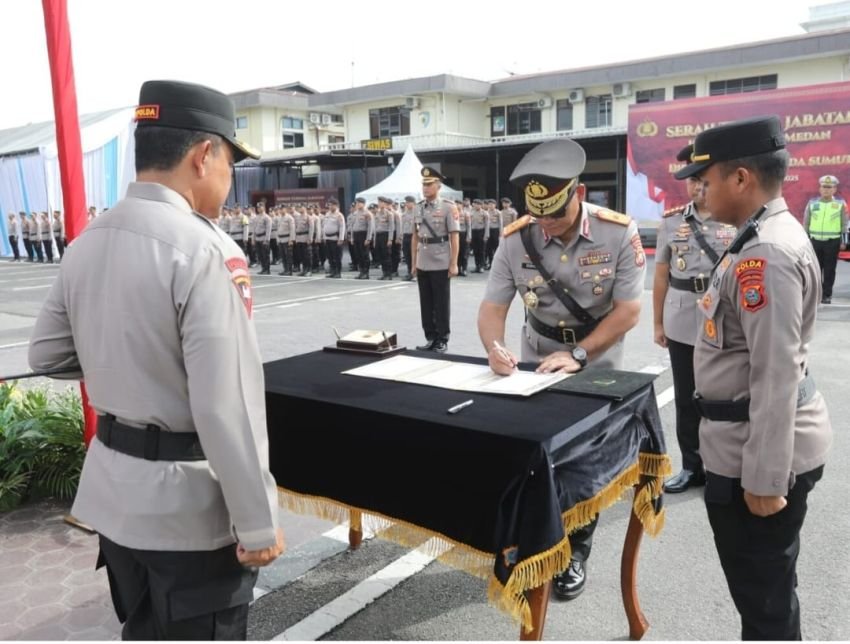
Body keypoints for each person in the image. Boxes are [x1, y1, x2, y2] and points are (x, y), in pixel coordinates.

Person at [27, 79, 284, 640]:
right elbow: (226, 408)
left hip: (115, 498)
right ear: (202, 155)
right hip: (187, 516)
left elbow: (46, 354)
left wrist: (119, 363)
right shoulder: (207, 250)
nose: (229, 181)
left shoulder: (87, 241)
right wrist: (258, 524)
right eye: (229, 164)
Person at [675, 115, 832, 640]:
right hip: (740, 444)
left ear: (741, 178)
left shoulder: (765, 252)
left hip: (754, 458)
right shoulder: (759, 236)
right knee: (765, 594)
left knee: (765, 605)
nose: (700, 188)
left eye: (707, 177)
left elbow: (775, 372)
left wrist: (765, 481)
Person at [477, 138, 645, 601]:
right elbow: (493, 307)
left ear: (580, 192)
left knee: (582, 463)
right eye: (540, 215)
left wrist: (581, 355)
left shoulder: (619, 232)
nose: (547, 223)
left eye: (556, 212)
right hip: (537, 357)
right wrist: (494, 347)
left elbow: (629, 311)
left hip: (598, 361)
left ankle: (575, 553)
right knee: (534, 458)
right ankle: (531, 546)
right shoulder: (516, 238)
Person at [654, 144, 737, 494]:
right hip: (682, 318)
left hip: (725, 318)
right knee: (687, 398)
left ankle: (725, 466)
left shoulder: (735, 219)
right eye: (693, 182)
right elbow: (660, 275)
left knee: (725, 396)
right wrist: (658, 324)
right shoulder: (672, 221)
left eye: (704, 181)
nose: (698, 188)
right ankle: (692, 466)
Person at [411, 166, 460, 352]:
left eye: (429, 184)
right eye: (423, 185)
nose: (425, 188)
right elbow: (415, 236)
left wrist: (454, 263)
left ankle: (442, 339)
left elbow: (454, 236)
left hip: (440, 260)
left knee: (441, 303)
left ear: (438, 186)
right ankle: (430, 337)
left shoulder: (448, 207)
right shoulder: (418, 208)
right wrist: (414, 262)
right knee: (426, 302)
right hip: (423, 260)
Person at [803, 175, 846, 304]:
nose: (826, 190)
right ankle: (815, 294)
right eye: (824, 187)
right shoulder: (812, 203)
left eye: (829, 187)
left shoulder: (840, 204)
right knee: (815, 269)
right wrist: (805, 239)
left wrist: (844, 241)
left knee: (829, 270)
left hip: (832, 242)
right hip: (814, 241)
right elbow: (806, 222)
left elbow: (844, 224)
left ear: (835, 189)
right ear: (819, 189)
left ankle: (827, 295)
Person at [323, 197, 346, 278]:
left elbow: (342, 227)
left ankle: (338, 272)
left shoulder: (339, 215)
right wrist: (324, 237)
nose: (330, 207)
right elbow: (325, 226)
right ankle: (332, 271)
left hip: (335, 238)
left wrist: (341, 239)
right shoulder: (327, 214)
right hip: (328, 238)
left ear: (336, 205)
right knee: (330, 257)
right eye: (329, 205)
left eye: (331, 205)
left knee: (337, 257)